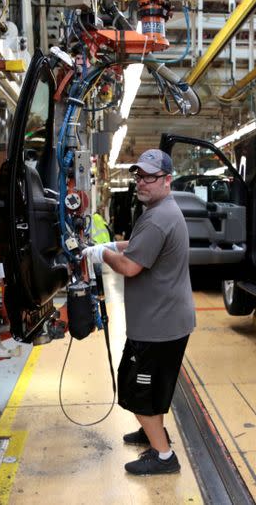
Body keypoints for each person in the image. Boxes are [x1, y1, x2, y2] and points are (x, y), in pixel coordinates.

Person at [83, 149, 195, 475]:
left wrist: (101, 255)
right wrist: (108, 246)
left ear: (167, 180)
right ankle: (152, 431)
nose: (141, 183)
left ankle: (163, 456)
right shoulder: (160, 212)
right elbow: (136, 245)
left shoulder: (160, 218)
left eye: (149, 177)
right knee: (148, 386)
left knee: (139, 389)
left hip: (159, 326)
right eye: (138, 176)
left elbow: (130, 266)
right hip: (159, 321)